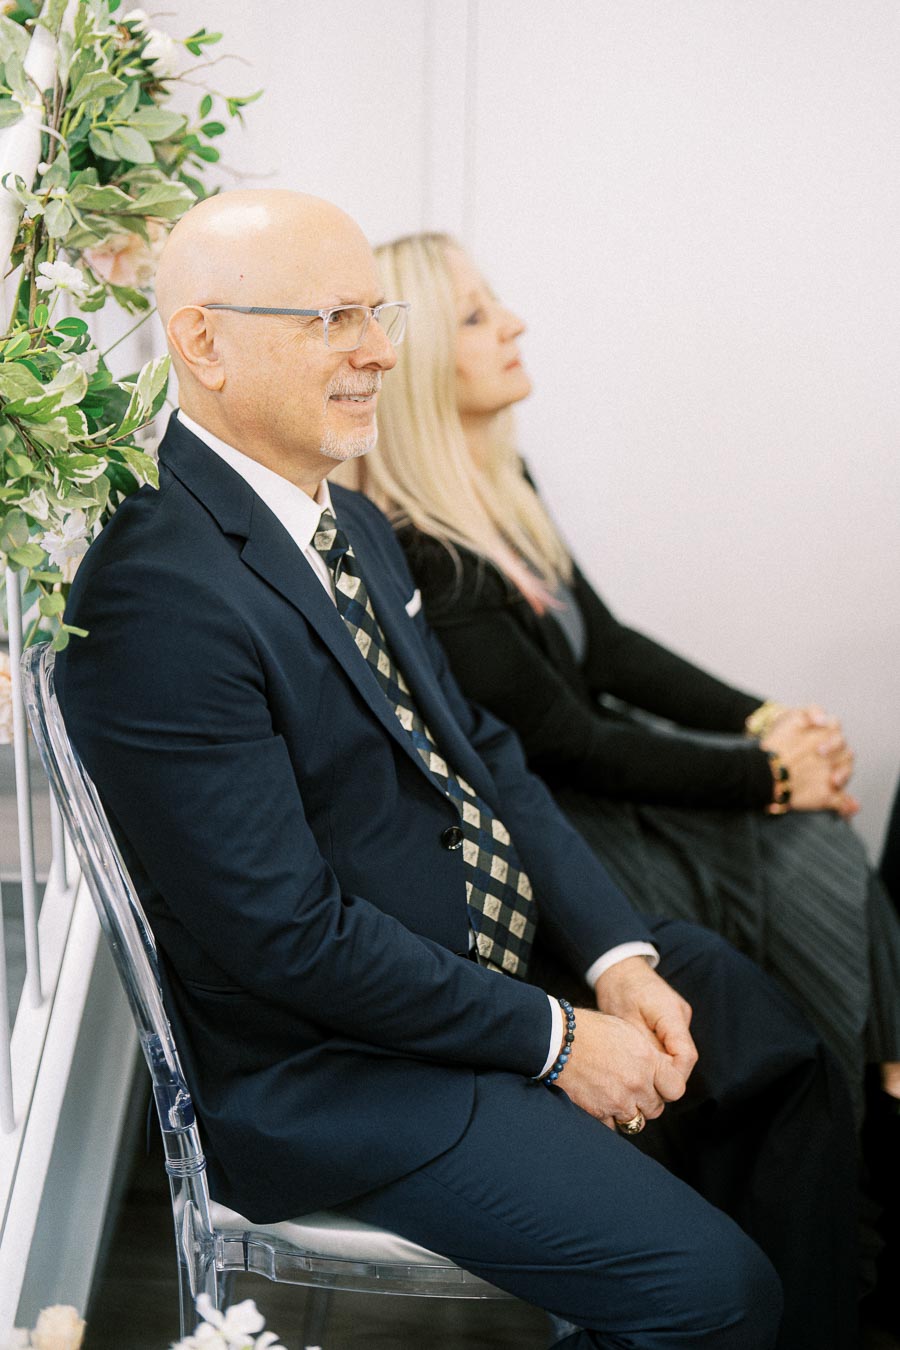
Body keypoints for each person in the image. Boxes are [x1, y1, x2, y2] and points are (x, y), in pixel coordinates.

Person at [57, 191, 859, 1350]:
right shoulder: (157, 592)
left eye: (373, 313)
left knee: (771, 1051)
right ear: (202, 342)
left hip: (479, 950)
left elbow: (482, 755)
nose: (380, 350)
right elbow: (290, 937)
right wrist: (561, 1036)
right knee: (714, 1295)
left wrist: (614, 955)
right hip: (341, 1066)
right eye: (332, 318)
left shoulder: (350, 523)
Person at [341, 230, 900, 1135]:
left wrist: (765, 721)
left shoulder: (502, 487)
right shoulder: (427, 556)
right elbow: (570, 744)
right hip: (576, 825)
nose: (513, 324)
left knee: (818, 831)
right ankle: (858, 1109)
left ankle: (874, 1093)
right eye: (479, 317)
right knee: (812, 846)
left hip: (612, 777)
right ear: (424, 364)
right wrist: (767, 775)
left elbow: (606, 647)